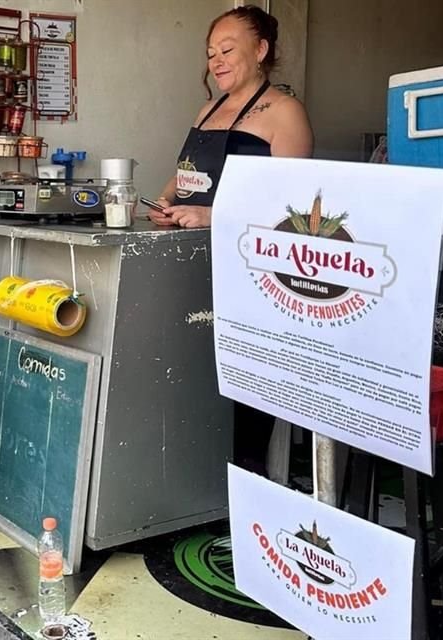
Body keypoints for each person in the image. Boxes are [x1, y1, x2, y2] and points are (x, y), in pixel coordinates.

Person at [148, 5, 314, 475]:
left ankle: (251, 476)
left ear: (261, 50)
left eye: (227, 50)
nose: (216, 61)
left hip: (255, 270)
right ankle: (200, 480)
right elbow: (186, 177)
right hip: (196, 261)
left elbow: (294, 211)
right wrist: (162, 201)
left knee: (248, 380)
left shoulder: (285, 113)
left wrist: (214, 215)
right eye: (210, 53)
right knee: (198, 369)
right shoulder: (208, 109)